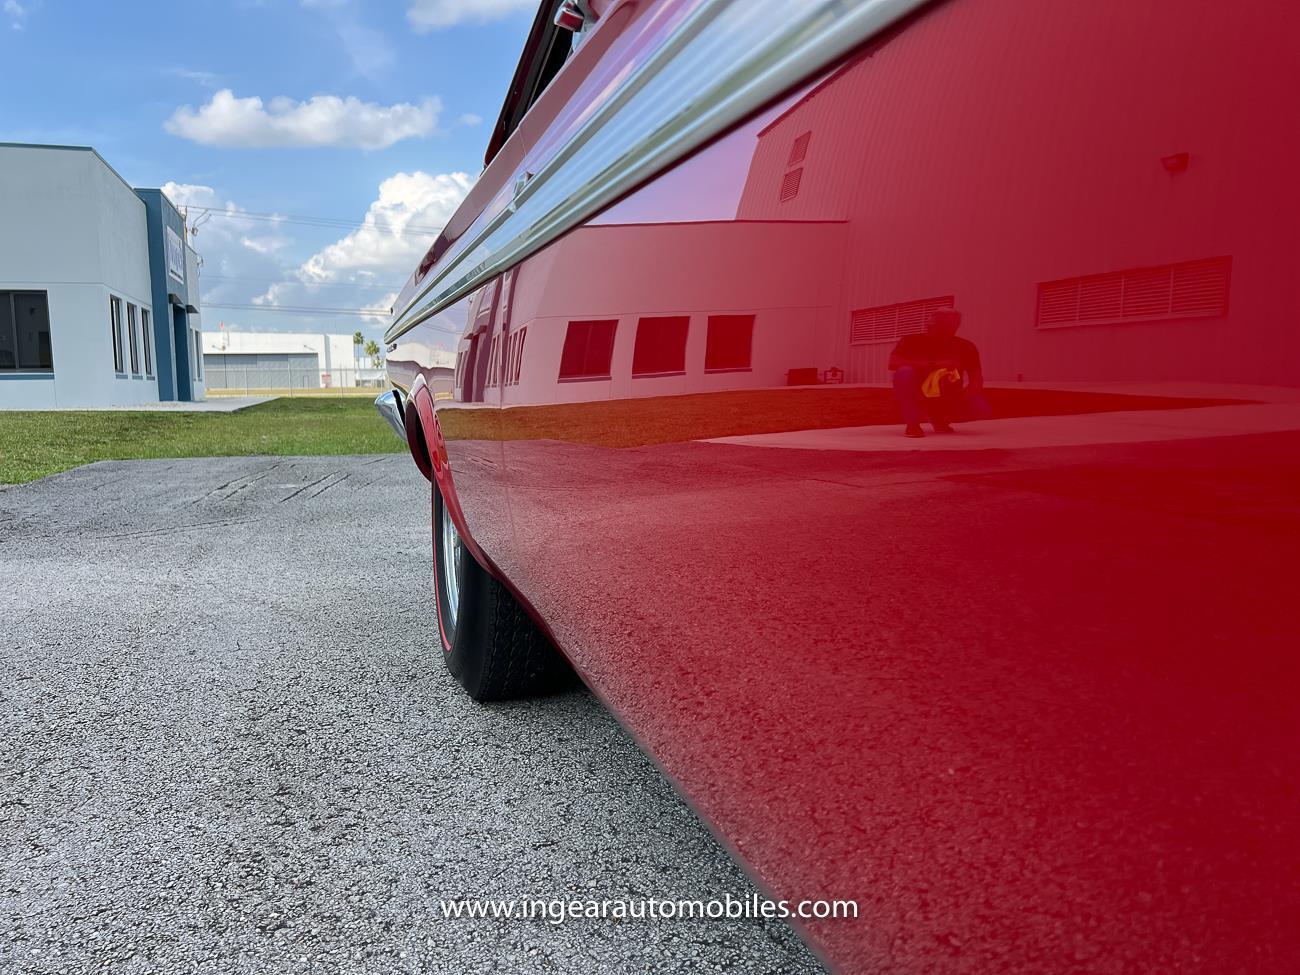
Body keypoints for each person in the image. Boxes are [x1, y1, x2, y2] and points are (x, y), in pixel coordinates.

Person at [888, 308, 991, 438]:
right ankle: (912, 423)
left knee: (981, 408)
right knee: (904, 372)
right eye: (944, 323)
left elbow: (976, 378)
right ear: (931, 324)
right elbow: (893, 363)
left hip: (949, 392)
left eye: (953, 324)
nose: (950, 327)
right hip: (917, 391)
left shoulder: (965, 346)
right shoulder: (911, 341)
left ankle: (939, 417)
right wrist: (934, 365)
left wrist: (966, 396)